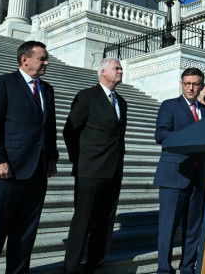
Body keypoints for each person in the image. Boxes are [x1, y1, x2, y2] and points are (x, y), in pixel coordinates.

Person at [0, 41, 58, 274]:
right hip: (8, 169)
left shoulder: (48, 89)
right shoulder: (3, 84)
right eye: (42, 58)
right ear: (25, 60)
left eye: (46, 58)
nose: (46, 62)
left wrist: (52, 158)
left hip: (37, 171)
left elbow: (49, 127)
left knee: (25, 233)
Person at [62, 57, 127, 274]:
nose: (121, 71)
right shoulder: (87, 96)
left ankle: (96, 267)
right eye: (116, 68)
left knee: (105, 223)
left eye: (120, 69)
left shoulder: (121, 102)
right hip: (90, 170)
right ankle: (71, 268)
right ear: (103, 72)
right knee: (83, 222)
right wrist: (79, 160)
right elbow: (70, 131)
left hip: (113, 171)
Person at [153, 68, 205, 274]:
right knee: (168, 227)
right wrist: (188, 138)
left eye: (195, 84)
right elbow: (161, 134)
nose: (190, 87)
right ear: (181, 84)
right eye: (187, 83)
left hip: (199, 176)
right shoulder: (170, 105)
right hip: (174, 174)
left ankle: (187, 267)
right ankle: (164, 269)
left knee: (193, 228)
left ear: (201, 86)